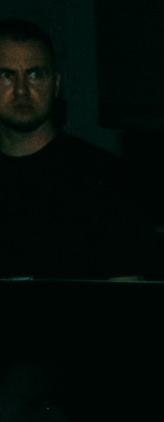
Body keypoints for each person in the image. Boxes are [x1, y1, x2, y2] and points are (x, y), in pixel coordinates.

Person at [0, 18, 153, 279]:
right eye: (6, 76)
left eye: (36, 75)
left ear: (56, 84)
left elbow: (128, 290)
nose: (21, 90)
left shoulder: (104, 176)